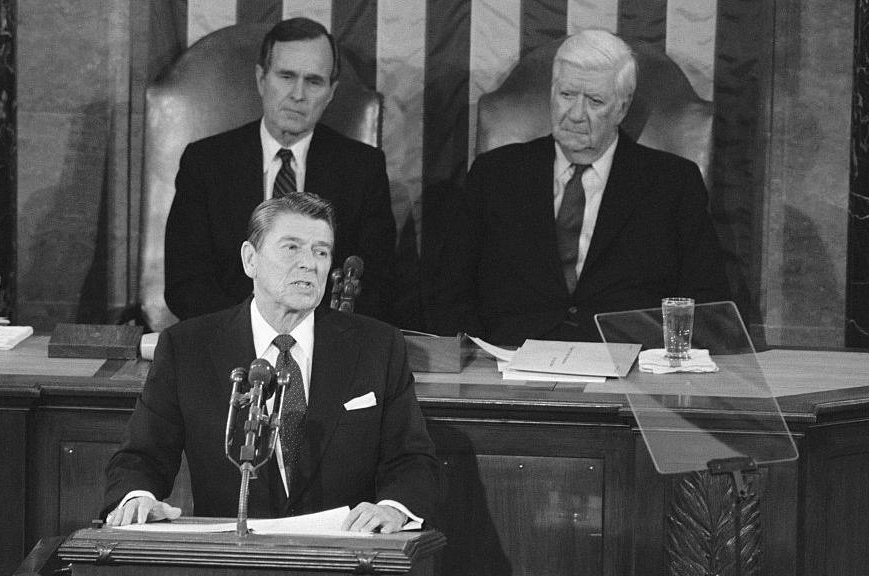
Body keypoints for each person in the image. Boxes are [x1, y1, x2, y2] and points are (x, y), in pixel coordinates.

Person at [104, 193, 438, 533]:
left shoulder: (377, 346)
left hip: (343, 557)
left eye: (321, 251)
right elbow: (141, 457)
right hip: (232, 560)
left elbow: (411, 458)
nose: (310, 263)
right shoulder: (188, 347)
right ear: (251, 259)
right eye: (291, 248)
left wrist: (394, 508)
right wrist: (136, 497)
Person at [429, 29, 730, 345]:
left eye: (595, 101)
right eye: (567, 95)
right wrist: (479, 360)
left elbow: (707, 303)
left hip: (630, 372)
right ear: (551, 93)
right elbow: (451, 293)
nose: (575, 115)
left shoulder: (673, 184)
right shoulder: (495, 175)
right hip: (509, 366)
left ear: (622, 108)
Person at [164, 17, 396, 323]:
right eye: (286, 76)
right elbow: (186, 282)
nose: (298, 94)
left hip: (324, 346)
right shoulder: (205, 163)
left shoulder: (363, 169)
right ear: (262, 79)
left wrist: (304, 336)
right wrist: (251, 332)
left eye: (314, 81)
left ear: (331, 92)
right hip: (227, 340)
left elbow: (377, 285)